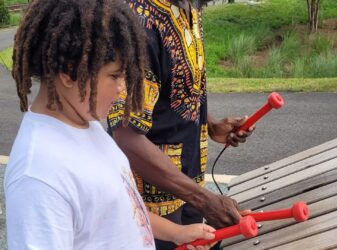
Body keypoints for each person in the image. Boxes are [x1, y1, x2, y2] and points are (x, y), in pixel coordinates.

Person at [4, 0, 217, 249]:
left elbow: (123, 210)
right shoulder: (38, 176)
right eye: (115, 76)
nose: (122, 90)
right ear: (70, 73)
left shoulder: (86, 126)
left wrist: (176, 232)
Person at [107, 0, 255, 248]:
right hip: (151, 208)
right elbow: (125, 135)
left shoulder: (190, 7)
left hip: (189, 184)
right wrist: (204, 199)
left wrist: (211, 125)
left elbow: (178, 89)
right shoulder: (140, 23)